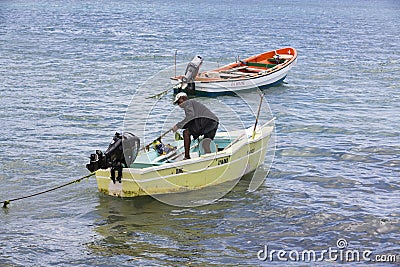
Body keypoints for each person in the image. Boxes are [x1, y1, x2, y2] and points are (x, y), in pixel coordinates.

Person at [172, 92, 219, 159]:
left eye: (179, 102)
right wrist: (179, 126)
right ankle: (209, 158)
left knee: (186, 133)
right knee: (205, 143)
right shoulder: (192, 104)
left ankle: (187, 157)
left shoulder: (188, 103)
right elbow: (191, 121)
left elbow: (190, 117)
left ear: (183, 98)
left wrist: (178, 126)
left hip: (205, 122)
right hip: (213, 122)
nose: (179, 105)